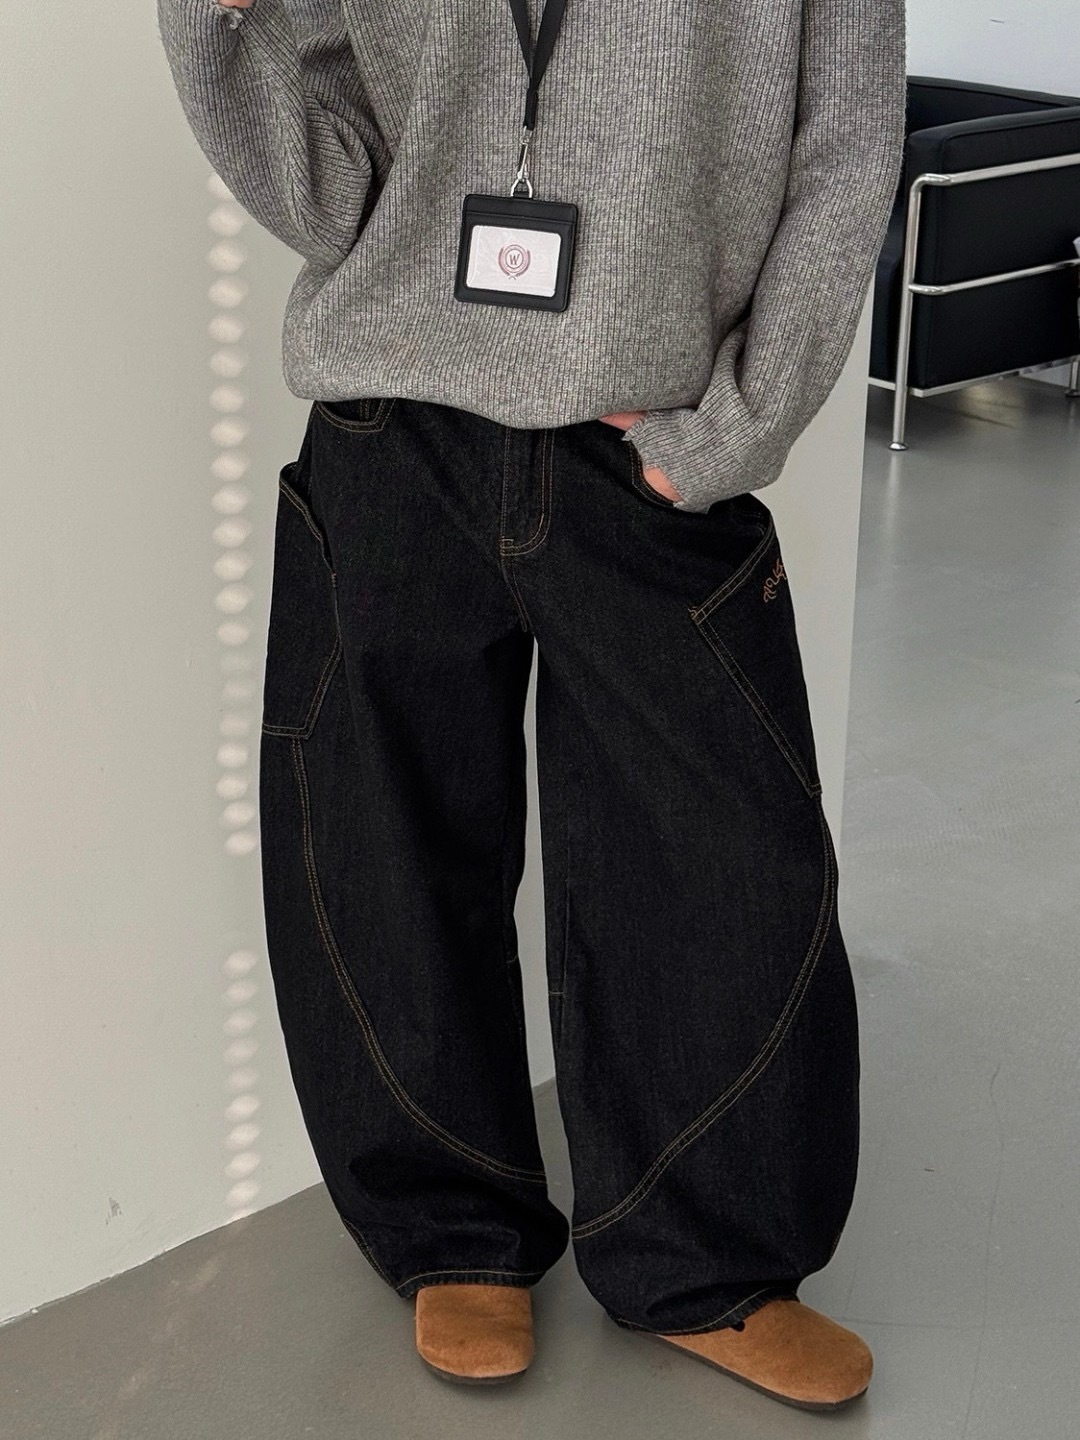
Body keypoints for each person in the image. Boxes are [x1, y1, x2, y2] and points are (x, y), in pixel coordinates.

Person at [157, 0, 906, 1411]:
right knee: (383, 852)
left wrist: (742, 426)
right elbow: (334, 191)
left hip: (653, 435)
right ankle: (452, 1228)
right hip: (395, 423)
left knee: (723, 862)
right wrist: (216, 25)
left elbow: (847, 144)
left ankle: (709, 1261)